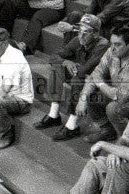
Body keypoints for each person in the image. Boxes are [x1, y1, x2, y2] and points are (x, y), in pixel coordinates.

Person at [33, 13, 109, 141]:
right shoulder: (77, 40)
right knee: (58, 68)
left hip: (100, 81)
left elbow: (87, 69)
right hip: (81, 74)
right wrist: (65, 62)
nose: (81, 35)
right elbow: (54, 56)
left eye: (86, 32)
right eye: (80, 30)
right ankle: (54, 115)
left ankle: (72, 125)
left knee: (77, 78)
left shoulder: (103, 44)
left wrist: (74, 66)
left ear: (96, 34)